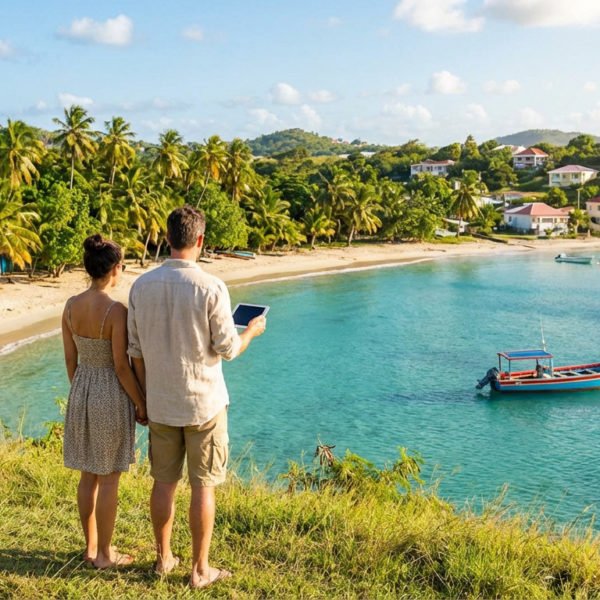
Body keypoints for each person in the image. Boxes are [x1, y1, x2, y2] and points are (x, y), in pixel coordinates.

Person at [127, 205, 266, 590]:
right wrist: (252, 331)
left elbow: (134, 351)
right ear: (200, 240)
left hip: (160, 403)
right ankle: (200, 569)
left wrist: (143, 397)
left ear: (167, 238)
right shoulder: (211, 287)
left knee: (163, 483)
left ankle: (162, 558)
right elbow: (227, 349)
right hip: (204, 403)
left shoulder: (141, 286)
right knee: (203, 486)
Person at [62, 234, 147, 569]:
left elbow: (70, 359)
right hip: (110, 392)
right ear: (114, 268)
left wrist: (81, 389)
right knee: (110, 477)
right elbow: (121, 366)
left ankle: (90, 547)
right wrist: (141, 403)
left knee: (88, 476)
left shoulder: (70, 305)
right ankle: (106, 555)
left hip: (81, 387)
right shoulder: (115, 310)